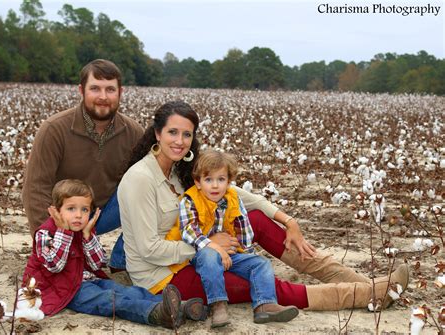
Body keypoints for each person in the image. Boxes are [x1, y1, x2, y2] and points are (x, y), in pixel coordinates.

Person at [118, 100, 409, 313]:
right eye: (173, 133)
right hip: (165, 275)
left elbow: (239, 195)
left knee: (255, 218)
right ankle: (366, 294)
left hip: (197, 252)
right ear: (157, 133)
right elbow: (148, 250)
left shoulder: (182, 170)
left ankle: (371, 284)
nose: (180, 141)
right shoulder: (140, 180)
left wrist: (288, 220)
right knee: (265, 285)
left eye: (187, 134)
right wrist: (208, 246)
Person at [22, 179, 206, 330]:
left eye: (84, 210)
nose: (78, 215)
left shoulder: (84, 230)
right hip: (61, 288)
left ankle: (180, 306)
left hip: (87, 279)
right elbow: (55, 265)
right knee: (111, 300)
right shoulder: (46, 234)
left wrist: (87, 237)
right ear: (56, 211)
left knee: (126, 290)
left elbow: (96, 264)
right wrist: (64, 232)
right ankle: (157, 313)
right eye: (71, 209)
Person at [22, 59, 143, 271]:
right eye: (95, 88)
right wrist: (48, 242)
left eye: (110, 89)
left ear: (120, 92)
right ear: (81, 90)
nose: (103, 97)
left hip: (103, 212)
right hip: (64, 216)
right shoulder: (54, 130)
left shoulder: (133, 132)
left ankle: (121, 258)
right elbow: (35, 189)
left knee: (153, 187)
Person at [167, 149, 299, 327]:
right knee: (209, 256)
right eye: (208, 180)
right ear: (198, 182)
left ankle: (264, 304)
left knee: (260, 263)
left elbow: (244, 228)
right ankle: (218, 305)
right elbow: (189, 232)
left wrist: (245, 253)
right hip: (198, 254)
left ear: (229, 182)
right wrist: (217, 248)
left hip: (228, 253)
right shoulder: (189, 201)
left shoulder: (233, 199)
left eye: (221, 180)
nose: (215, 186)